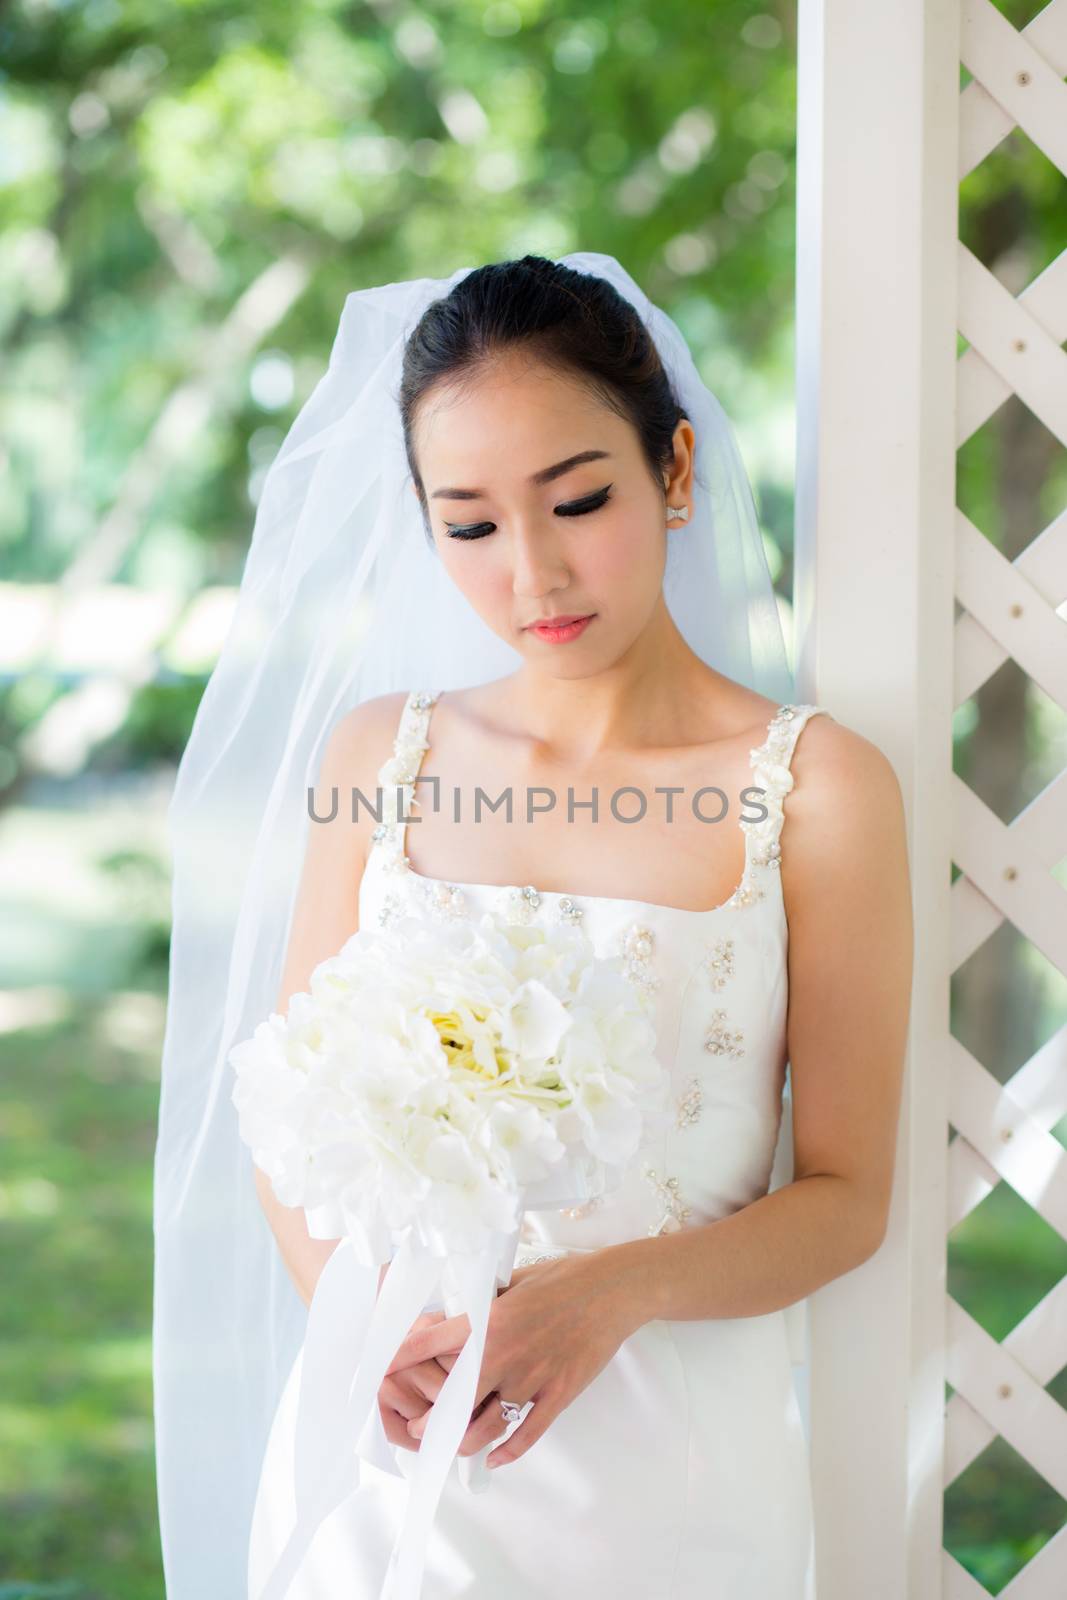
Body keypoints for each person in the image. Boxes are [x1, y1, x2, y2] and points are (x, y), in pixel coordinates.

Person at [153, 252, 913, 1600]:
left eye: (579, 499)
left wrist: (606, 1294)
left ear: (675, 471)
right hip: (390, 1463)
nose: (534, 571)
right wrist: (372, 1329)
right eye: (471, 524)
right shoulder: (382, 757)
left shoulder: (815, 790)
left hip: (665, 1491)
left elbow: (847, 1200)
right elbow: (289, 1126)